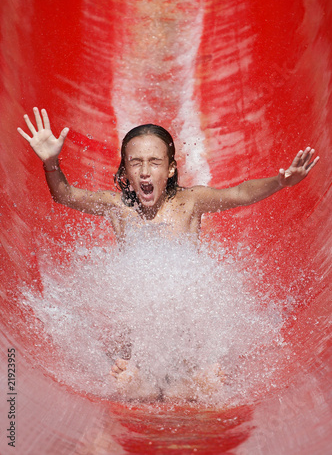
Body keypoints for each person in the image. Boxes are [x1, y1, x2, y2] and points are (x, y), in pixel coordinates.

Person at [18, 107, 319, 401]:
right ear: (125, 170)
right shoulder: (118, 207)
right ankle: (139, 373)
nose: (145, 171)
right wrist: (51, 161)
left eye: (154, 162)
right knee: (131, 317)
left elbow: (240, 193)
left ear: (171, 168)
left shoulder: (191, 202)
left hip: (183, 322)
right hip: (140, 322)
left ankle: (191, 373)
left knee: (188, 314)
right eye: (135, 163)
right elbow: (65, 195)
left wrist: (281, 181)